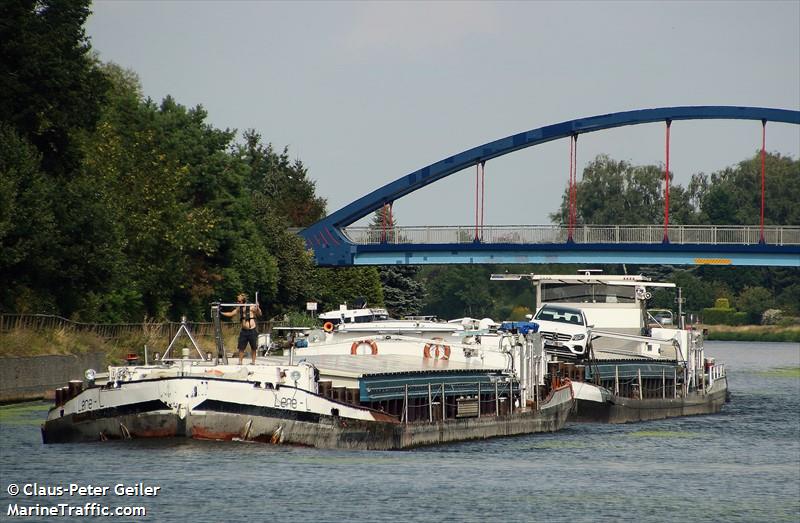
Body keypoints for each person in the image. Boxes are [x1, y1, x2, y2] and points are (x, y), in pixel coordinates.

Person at [221, 292, 262, 365]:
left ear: (243, 300)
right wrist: (221, 313)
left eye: (239, 301)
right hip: (244, 331)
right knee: (241, 347)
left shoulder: (251, 306)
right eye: (238, 301)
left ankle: (253, 362)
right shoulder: (239, 308)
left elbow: (259, 314)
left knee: (253, 347)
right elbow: (231, 313)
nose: (238, 302)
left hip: (252, 330)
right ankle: (240, 362)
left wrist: (258, 307)